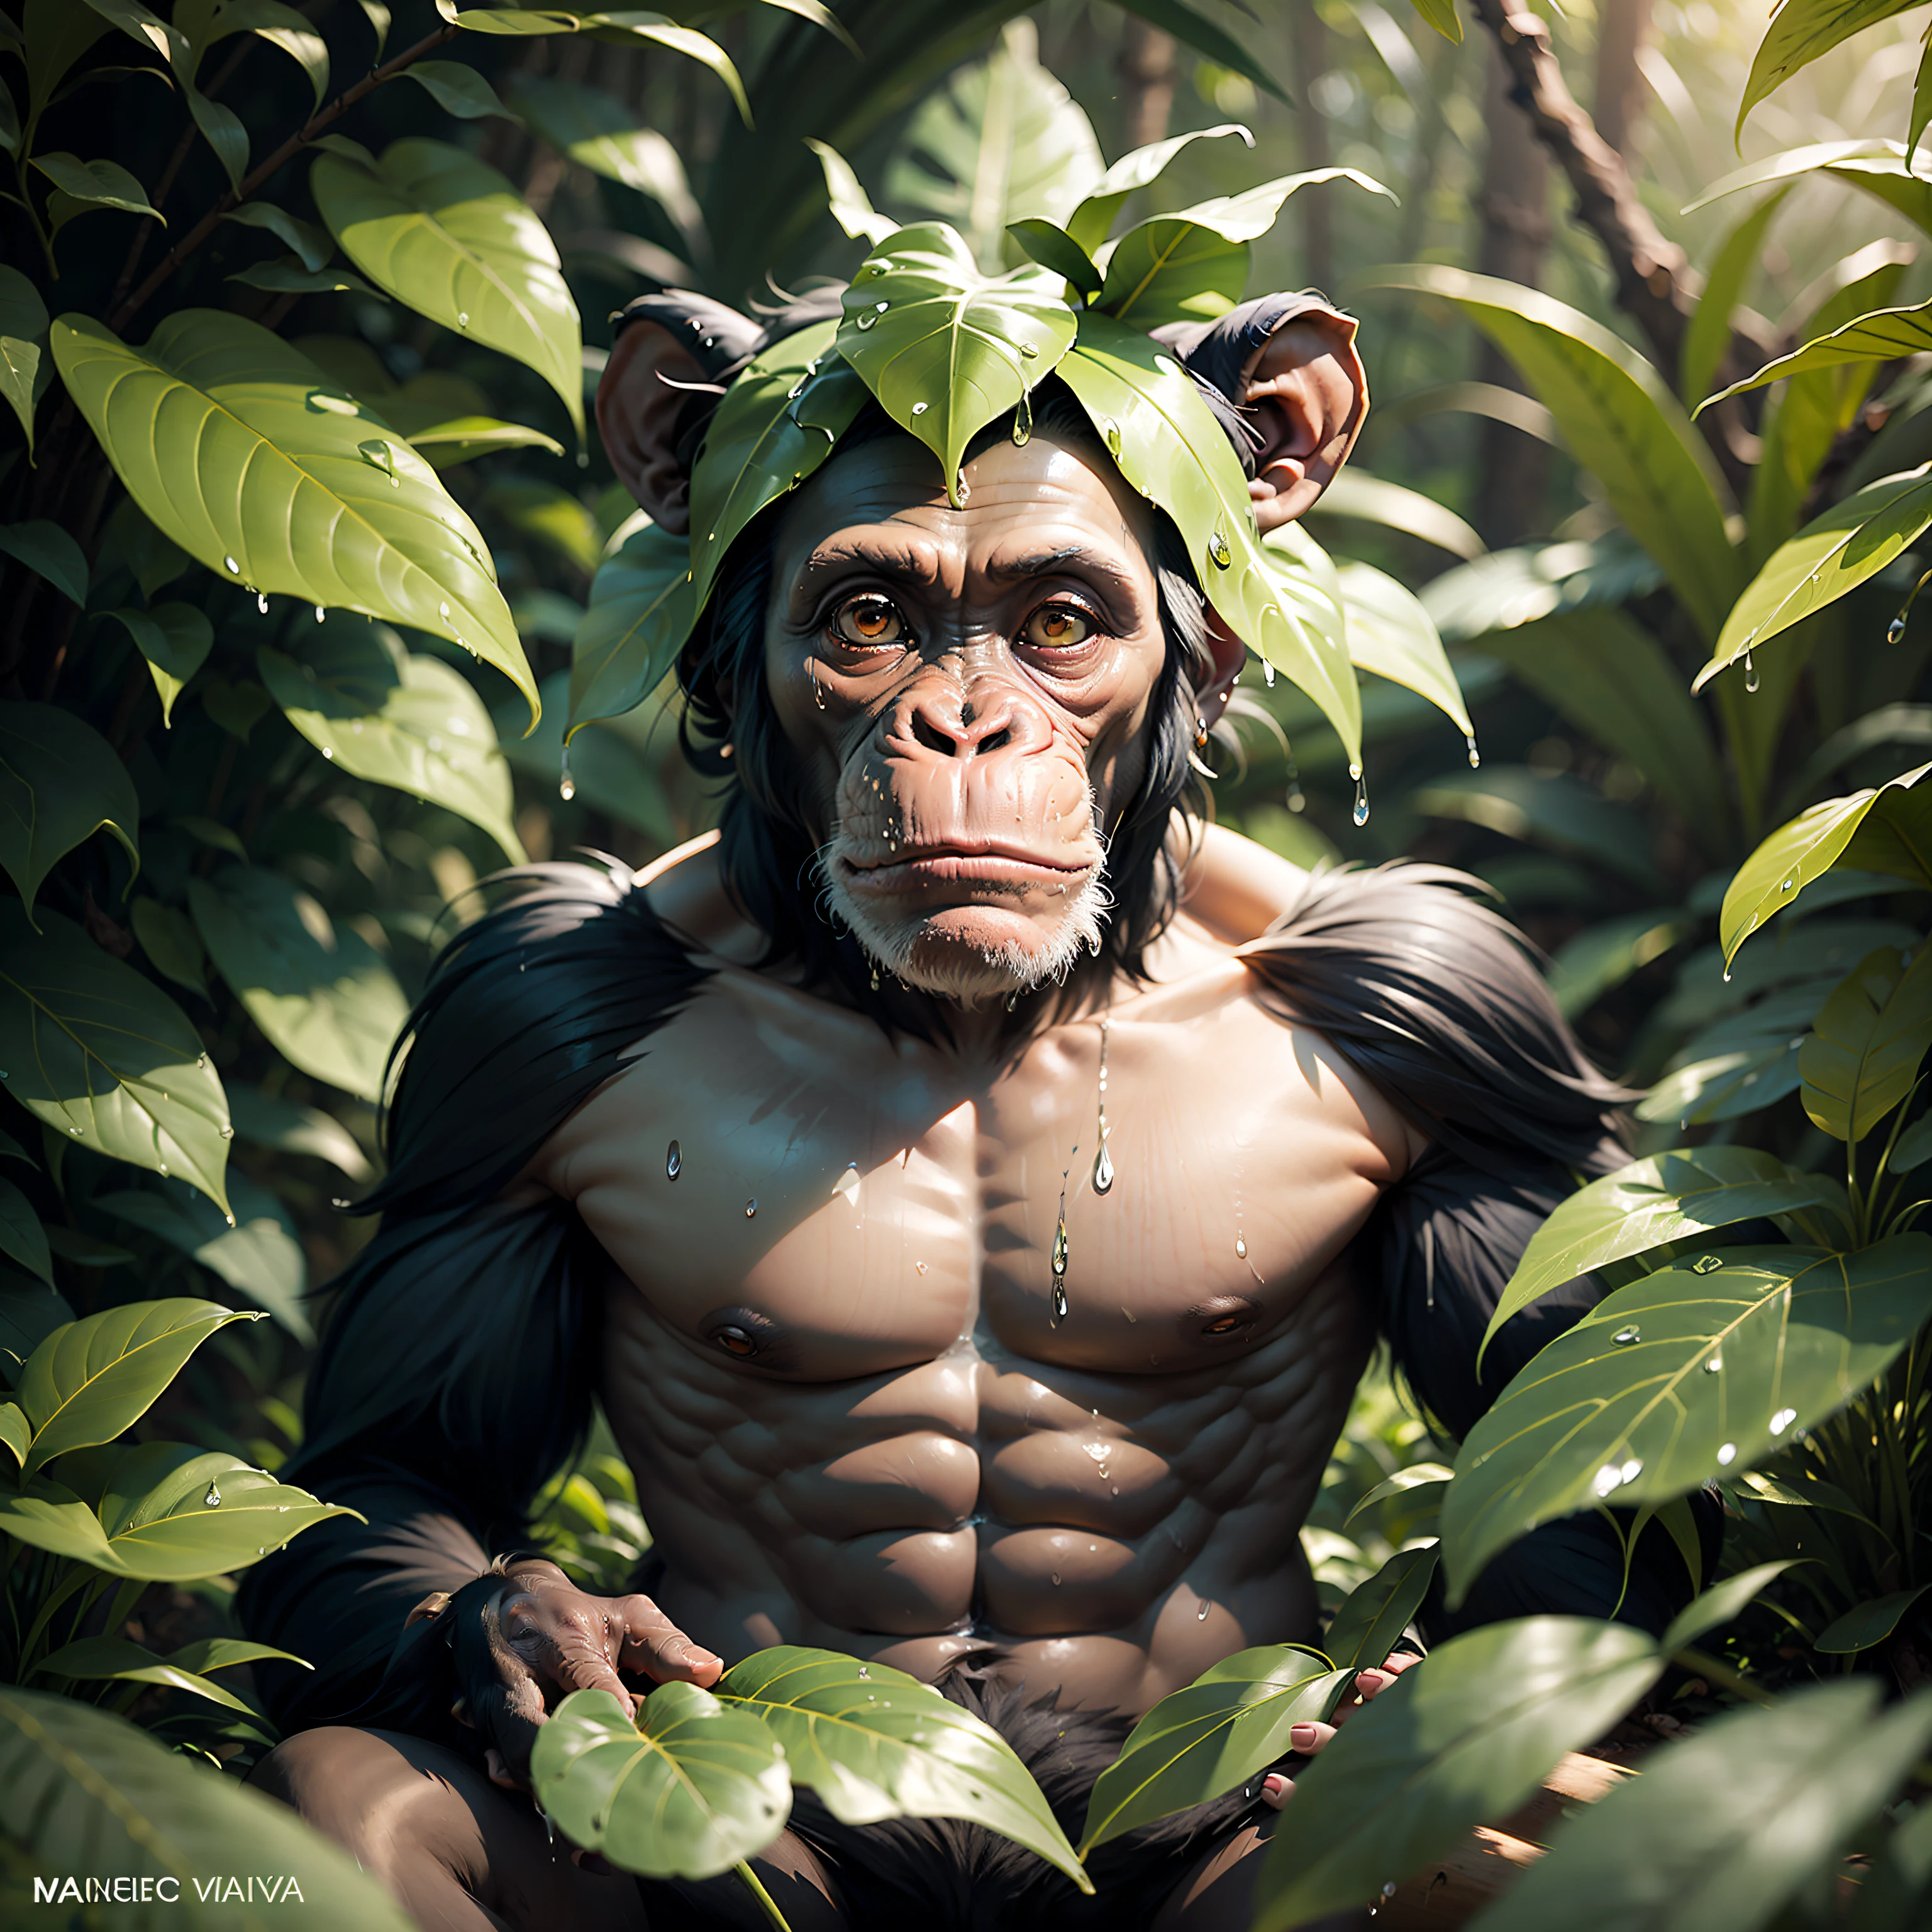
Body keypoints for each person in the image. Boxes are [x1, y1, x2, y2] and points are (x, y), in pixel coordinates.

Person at [240, 233, 1694, 1932]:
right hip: (743, 1829)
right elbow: (379, 1491)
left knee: (1549, 1862)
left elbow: (1610, 1480)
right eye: (871, 618)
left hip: (1217, 1831)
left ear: (1194, 649)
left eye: (1060, 622)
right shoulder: (595, 1007)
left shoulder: (1369, 1009)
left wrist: (1493, 1697)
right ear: (747, 662)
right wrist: (469, 1616)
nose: (962, 722)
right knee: (336, 1814)